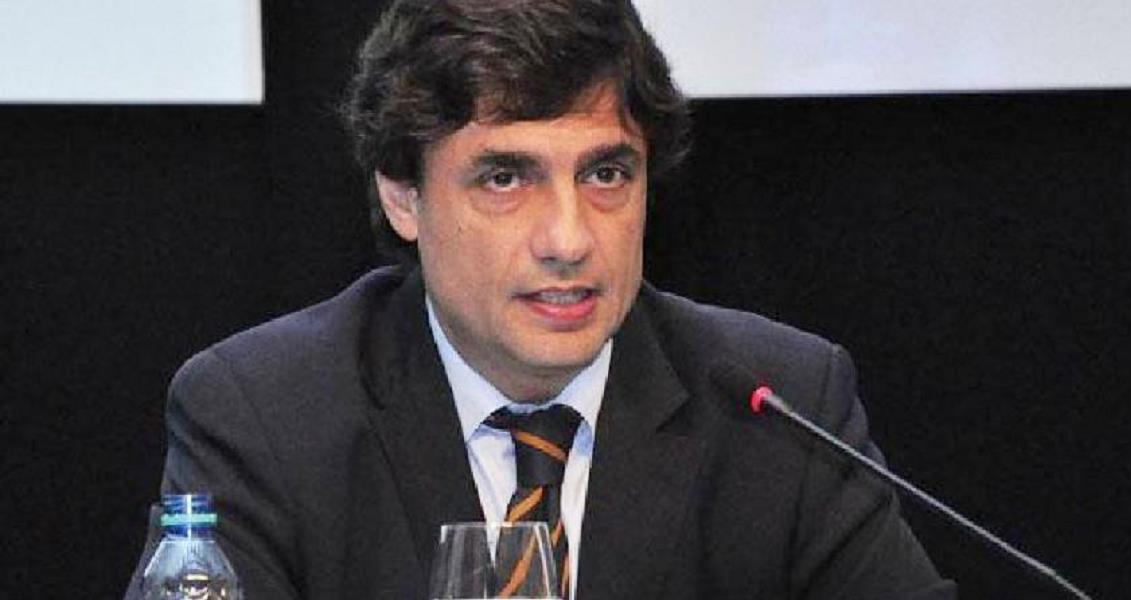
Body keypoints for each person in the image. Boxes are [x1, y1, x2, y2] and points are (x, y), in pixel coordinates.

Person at [126, 1, 955, 598]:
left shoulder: (778, 408)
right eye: (505, 178)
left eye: (606, 174)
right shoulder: (266, 416)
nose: (569, 238)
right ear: (403, 195)